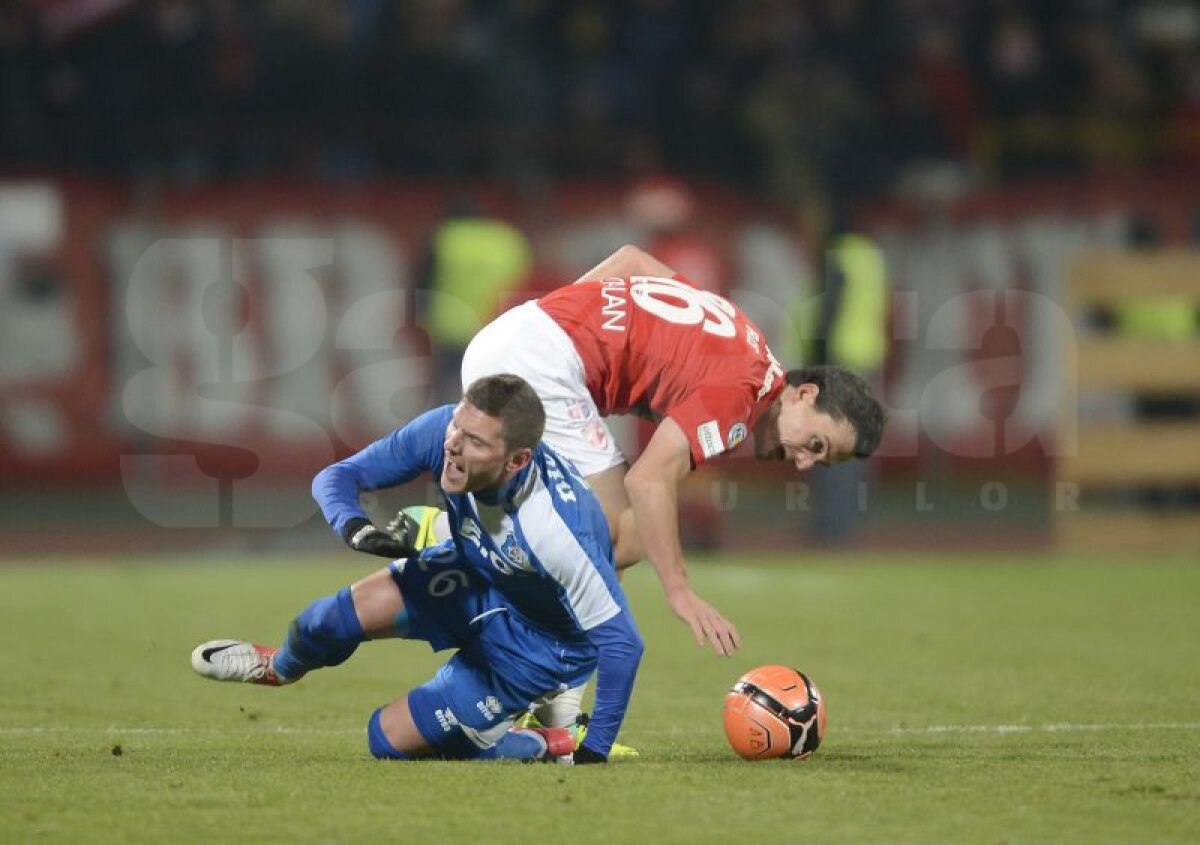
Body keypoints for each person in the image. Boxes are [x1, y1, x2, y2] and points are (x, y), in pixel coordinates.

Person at [404, 244, 885, 732]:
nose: (804, 462)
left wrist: (565, 318)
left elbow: (633, 261)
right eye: (817, 444)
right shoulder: (742, 394)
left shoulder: (747, 343)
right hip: (539, 366)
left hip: (515, 335)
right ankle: (448, 544)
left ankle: (550, 703)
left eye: (820, 461)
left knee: (577, 535)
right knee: (622, 534)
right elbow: (649, 480)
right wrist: (678, 589)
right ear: (806, 393)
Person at [191, 374, 643, 764]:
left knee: (385, 739)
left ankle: (550, 742)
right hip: (477, 574)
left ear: (517, 461)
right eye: (458, 427)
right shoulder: (442, 434)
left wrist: (595, 750)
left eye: (476, 442)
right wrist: (355, 530)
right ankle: (279, 667)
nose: (453, 446)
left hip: (540, 643)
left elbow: (622, 643)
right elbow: (335, 478)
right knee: (323, 621)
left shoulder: (554, 530)